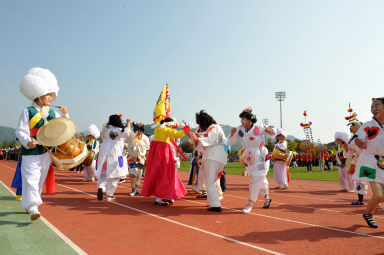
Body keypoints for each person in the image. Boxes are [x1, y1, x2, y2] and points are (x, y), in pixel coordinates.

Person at [15, 67, 69, 220]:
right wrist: (27, 141)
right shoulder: (28, 111)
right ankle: (34, 208)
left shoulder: (53, 113)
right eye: (47, 94)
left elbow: (64, 127)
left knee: (38, 180)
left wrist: (65, 114)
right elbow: (20, 131)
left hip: (46, 152)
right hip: (31, 151)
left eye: (51, 95)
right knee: (31, 178)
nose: (50, 98)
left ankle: (29, 204)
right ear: (38, 94)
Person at [228, 107, 276, 214]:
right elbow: (231, 142)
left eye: (244, 119)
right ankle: (267, 198)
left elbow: (273, 134)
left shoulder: (258, 128)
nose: (242, 122)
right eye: (241, 120)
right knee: (261, 179)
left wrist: (270, 130)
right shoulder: (240, 129)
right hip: (249, 158)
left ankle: (250, 203)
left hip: (261, 158)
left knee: (256, 179)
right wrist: (231, 134)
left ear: (250, 120)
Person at [141, 117, 190, 206]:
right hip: (164, 154)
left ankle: (165, 195)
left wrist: (177, 125)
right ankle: (160, 198)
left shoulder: (158, 128)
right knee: (165, 174)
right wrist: (187, 128)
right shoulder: (166, 130)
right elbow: (178, 134)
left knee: (162, 174)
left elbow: (171, 128)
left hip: (158, 155)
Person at [190, 111, 228, 212]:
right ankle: (215, 202)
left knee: (209, 182)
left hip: (213, 157)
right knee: (213, 181)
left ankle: (215, 205)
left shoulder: (213, 127)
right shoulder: (214, 128)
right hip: (218, 158)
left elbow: (208, 141)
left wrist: (197, 139)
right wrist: (196, 138)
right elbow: (204, 141)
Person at [355, 97, 384, 228]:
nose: (373, 109)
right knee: (378, 194)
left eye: (377, 105)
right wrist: (359, 142)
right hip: (369, 161)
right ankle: (368, 213)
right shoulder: (367, 126)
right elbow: (357, 139)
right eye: (372, 106)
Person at [96, 115, 132, 201]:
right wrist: (128, 123)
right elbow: (127, 133)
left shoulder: (105, 128)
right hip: (115, 152)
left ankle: (101, 186)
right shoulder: (119, 130)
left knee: (104, 171)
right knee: (115, 173)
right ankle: (109, 194)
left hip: (104, 151)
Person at [126, 123, 150, 196]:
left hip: (141, 159)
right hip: (132, 158)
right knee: (132, 173)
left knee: (139, 175)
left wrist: (147, 160)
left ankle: (135, 188)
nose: (138, 132)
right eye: (137, 130)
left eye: (140, 130)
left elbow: (147, 149)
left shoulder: (145, 138)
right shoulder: (131, 136)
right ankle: (133, 189)